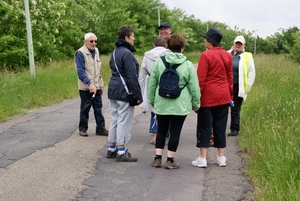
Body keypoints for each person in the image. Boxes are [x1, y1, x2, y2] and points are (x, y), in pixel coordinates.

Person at [148, 34, 201, 169]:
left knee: (161, 130)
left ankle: (157, 158)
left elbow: (153, 82)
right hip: (180, 104)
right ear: (182, 48)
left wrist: (151, 99)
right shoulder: (188, 64)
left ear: (169, 47)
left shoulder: (160, 61)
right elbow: (194, 87)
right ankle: (170, 160)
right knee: (175, 131)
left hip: (162, 102)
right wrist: (196, 104)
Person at [192, 28, 233, 168]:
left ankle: (202, 159)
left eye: (205, 38)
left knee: (205, 126)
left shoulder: (206, 55)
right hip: (223, 95)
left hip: (208, 97)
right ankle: (221, 157)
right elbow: (230, 78)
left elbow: (201, 80)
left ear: (210, 41)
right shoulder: (228, 55)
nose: (204, 40)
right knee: (220, 126)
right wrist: (230, 95)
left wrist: (196, 98)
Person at [106, 25, 143, 162]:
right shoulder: (127, 54)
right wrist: (138, 96)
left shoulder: (115, 52)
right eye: (132, 36)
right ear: (126, 37)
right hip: (124, 91)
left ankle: (111, 148)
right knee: (123, 121)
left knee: (115, 119)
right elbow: (132, 76)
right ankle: (122, 151)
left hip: (113, 89)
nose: (134, 38)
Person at [75, 32, 108, 137]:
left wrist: (100, 85)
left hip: (96, 86)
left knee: (98, 107)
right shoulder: (80, 53)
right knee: (85, 108)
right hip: (85, 87)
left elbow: (98, 69)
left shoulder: (96, 51)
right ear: (85, 42)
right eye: (91, 41)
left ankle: (100, 129)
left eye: (95, 41)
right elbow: (80, 72)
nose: (94, 43)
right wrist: (89, 84)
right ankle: (83, 128)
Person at [139, 36, 168, 145]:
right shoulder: (168, 54)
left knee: (153, 107)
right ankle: (166, 132)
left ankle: (155, 135)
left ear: (154, 45)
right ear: (165, 45)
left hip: (152, 82)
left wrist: (142, 90)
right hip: (165, 82)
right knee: (166, 108)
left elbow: (142, 74)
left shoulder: (147, 55)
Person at [227, 35, 256, 136]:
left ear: (243, 45)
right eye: (237, 43)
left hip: (238, 86)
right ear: (233, 43)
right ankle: (219, 129)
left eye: (240, 44)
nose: (238, 45)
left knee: (235, 108)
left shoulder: (247, 56)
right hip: (226, 85)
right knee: (222, 108)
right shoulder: (227, 53)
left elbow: (251, 73)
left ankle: (234, 129)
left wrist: (247, 87)